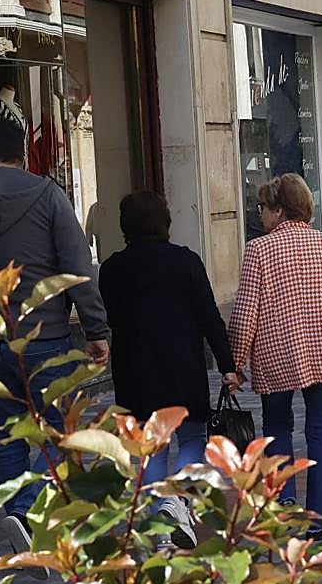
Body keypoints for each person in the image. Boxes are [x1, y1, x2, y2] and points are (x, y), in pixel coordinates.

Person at [0, 119, 109, 568]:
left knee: (8, 433)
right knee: (54, 430)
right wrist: (95, 328)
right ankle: (39, 512)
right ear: (23, 155)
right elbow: (76, 267)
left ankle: (19, 511)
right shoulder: (47, 195)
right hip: (44, 334)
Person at [229, 174, 322, 540]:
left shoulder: (259, 250)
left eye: (263, 207)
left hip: (276, 355)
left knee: (276, 427)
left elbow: (245, 313)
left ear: (279, 210)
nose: (260, 214)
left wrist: (235, 364)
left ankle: (285, 505)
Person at [98, 191, 238, 549]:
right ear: (165, 221)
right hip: (182, 367)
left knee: (151, 450)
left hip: (134, 371)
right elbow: (209, 318)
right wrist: (228, 366)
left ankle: (159, 529)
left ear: (125, 225)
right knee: (192, 439)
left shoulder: (111, 269)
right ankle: (175, 502)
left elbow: (112, 318)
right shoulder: (185, 262)